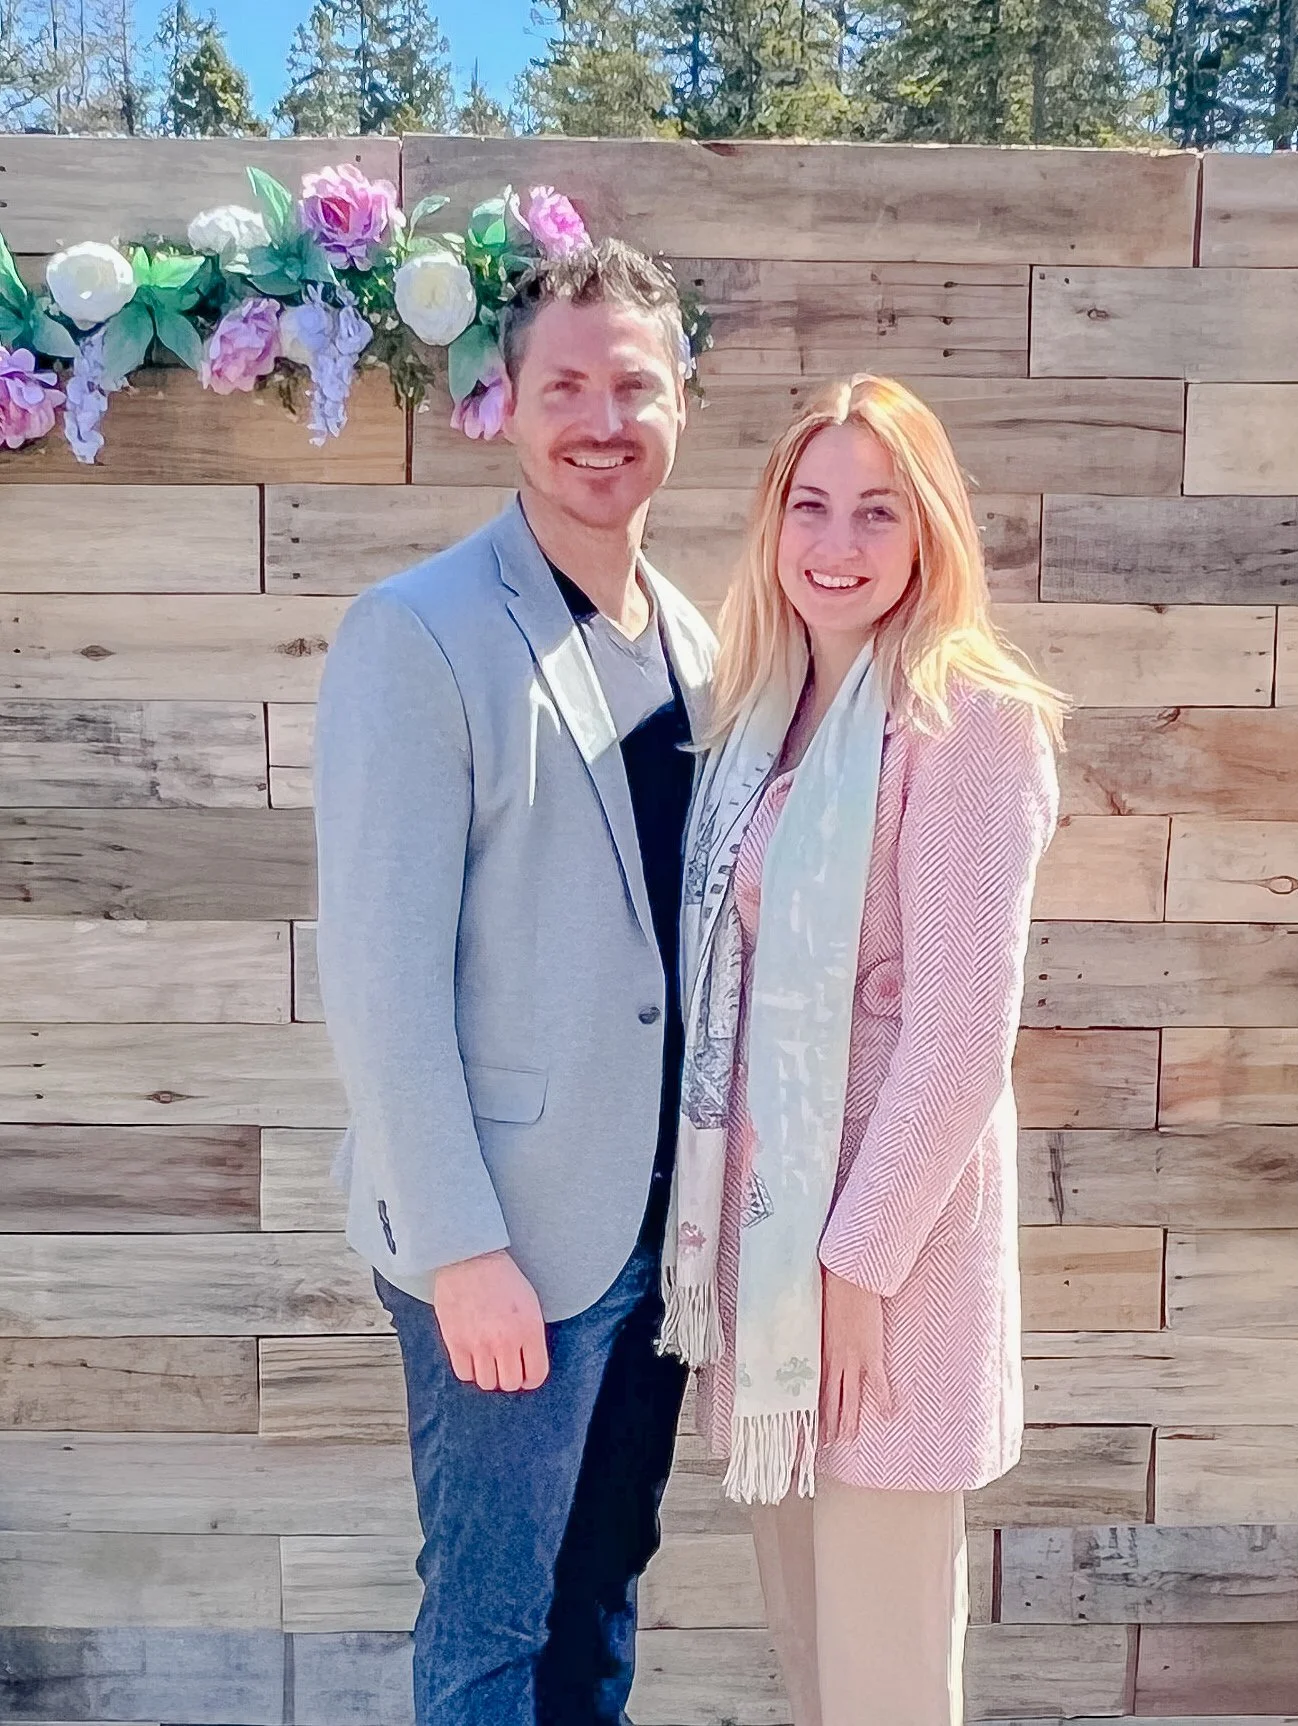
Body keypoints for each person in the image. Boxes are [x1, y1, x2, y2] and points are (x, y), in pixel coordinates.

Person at [312, 240, 717, 1726]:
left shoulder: (700, 644)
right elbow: (378, 975)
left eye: (635, 384)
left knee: (601, 1594)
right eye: (567, 385)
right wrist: (464, 1246)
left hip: (656, 1238)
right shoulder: (420, 633)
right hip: (508, 1245)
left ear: (681, 404)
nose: (601, 418)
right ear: (508, 402)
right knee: (490, 1626)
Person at [658, 374, 1064, 1726]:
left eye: (877, 510)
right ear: (775, 524)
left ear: (929, 530)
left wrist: (850, 1268)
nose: (838, 541)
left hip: (880, 1277)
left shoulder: (967, 718)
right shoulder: (764, 719)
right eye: (811, 505)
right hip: (775, 1257)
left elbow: (960, 1038)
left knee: (884, 1678)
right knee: (811, 1654)